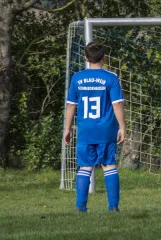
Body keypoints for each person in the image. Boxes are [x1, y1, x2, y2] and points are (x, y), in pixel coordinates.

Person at [64, 42, 126, 212]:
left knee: (85, 167)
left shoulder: (77, 78)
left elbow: (70, 105)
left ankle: (80, 207)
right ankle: (113, 207)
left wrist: (67, 129)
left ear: (85, 58)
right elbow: (117, 104)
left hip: (85, 130)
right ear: (103, 58)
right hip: (106, 130)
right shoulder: (111, 78)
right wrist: (122, 127)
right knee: (109, 165)